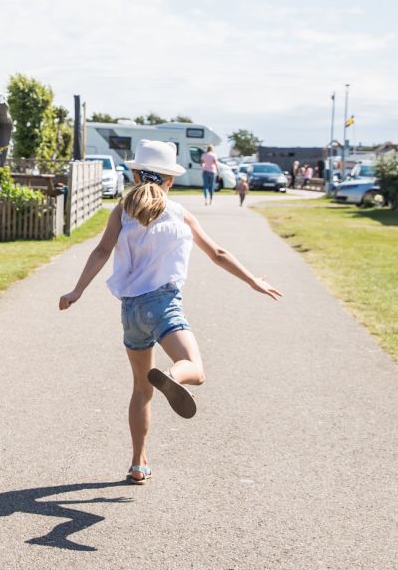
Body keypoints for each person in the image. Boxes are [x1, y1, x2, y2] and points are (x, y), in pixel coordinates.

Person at [57, 140, 282, 485]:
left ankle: (138, 464)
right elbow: (218, 253)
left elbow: (102, 251)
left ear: (134, 174)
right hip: (163, 304)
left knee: (140, 389)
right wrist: (252, 281)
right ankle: (175, 377)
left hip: (131, 312)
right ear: (170, 180)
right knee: (196, 368)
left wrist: (76, 291)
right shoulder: (178, 212)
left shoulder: (121, 210)